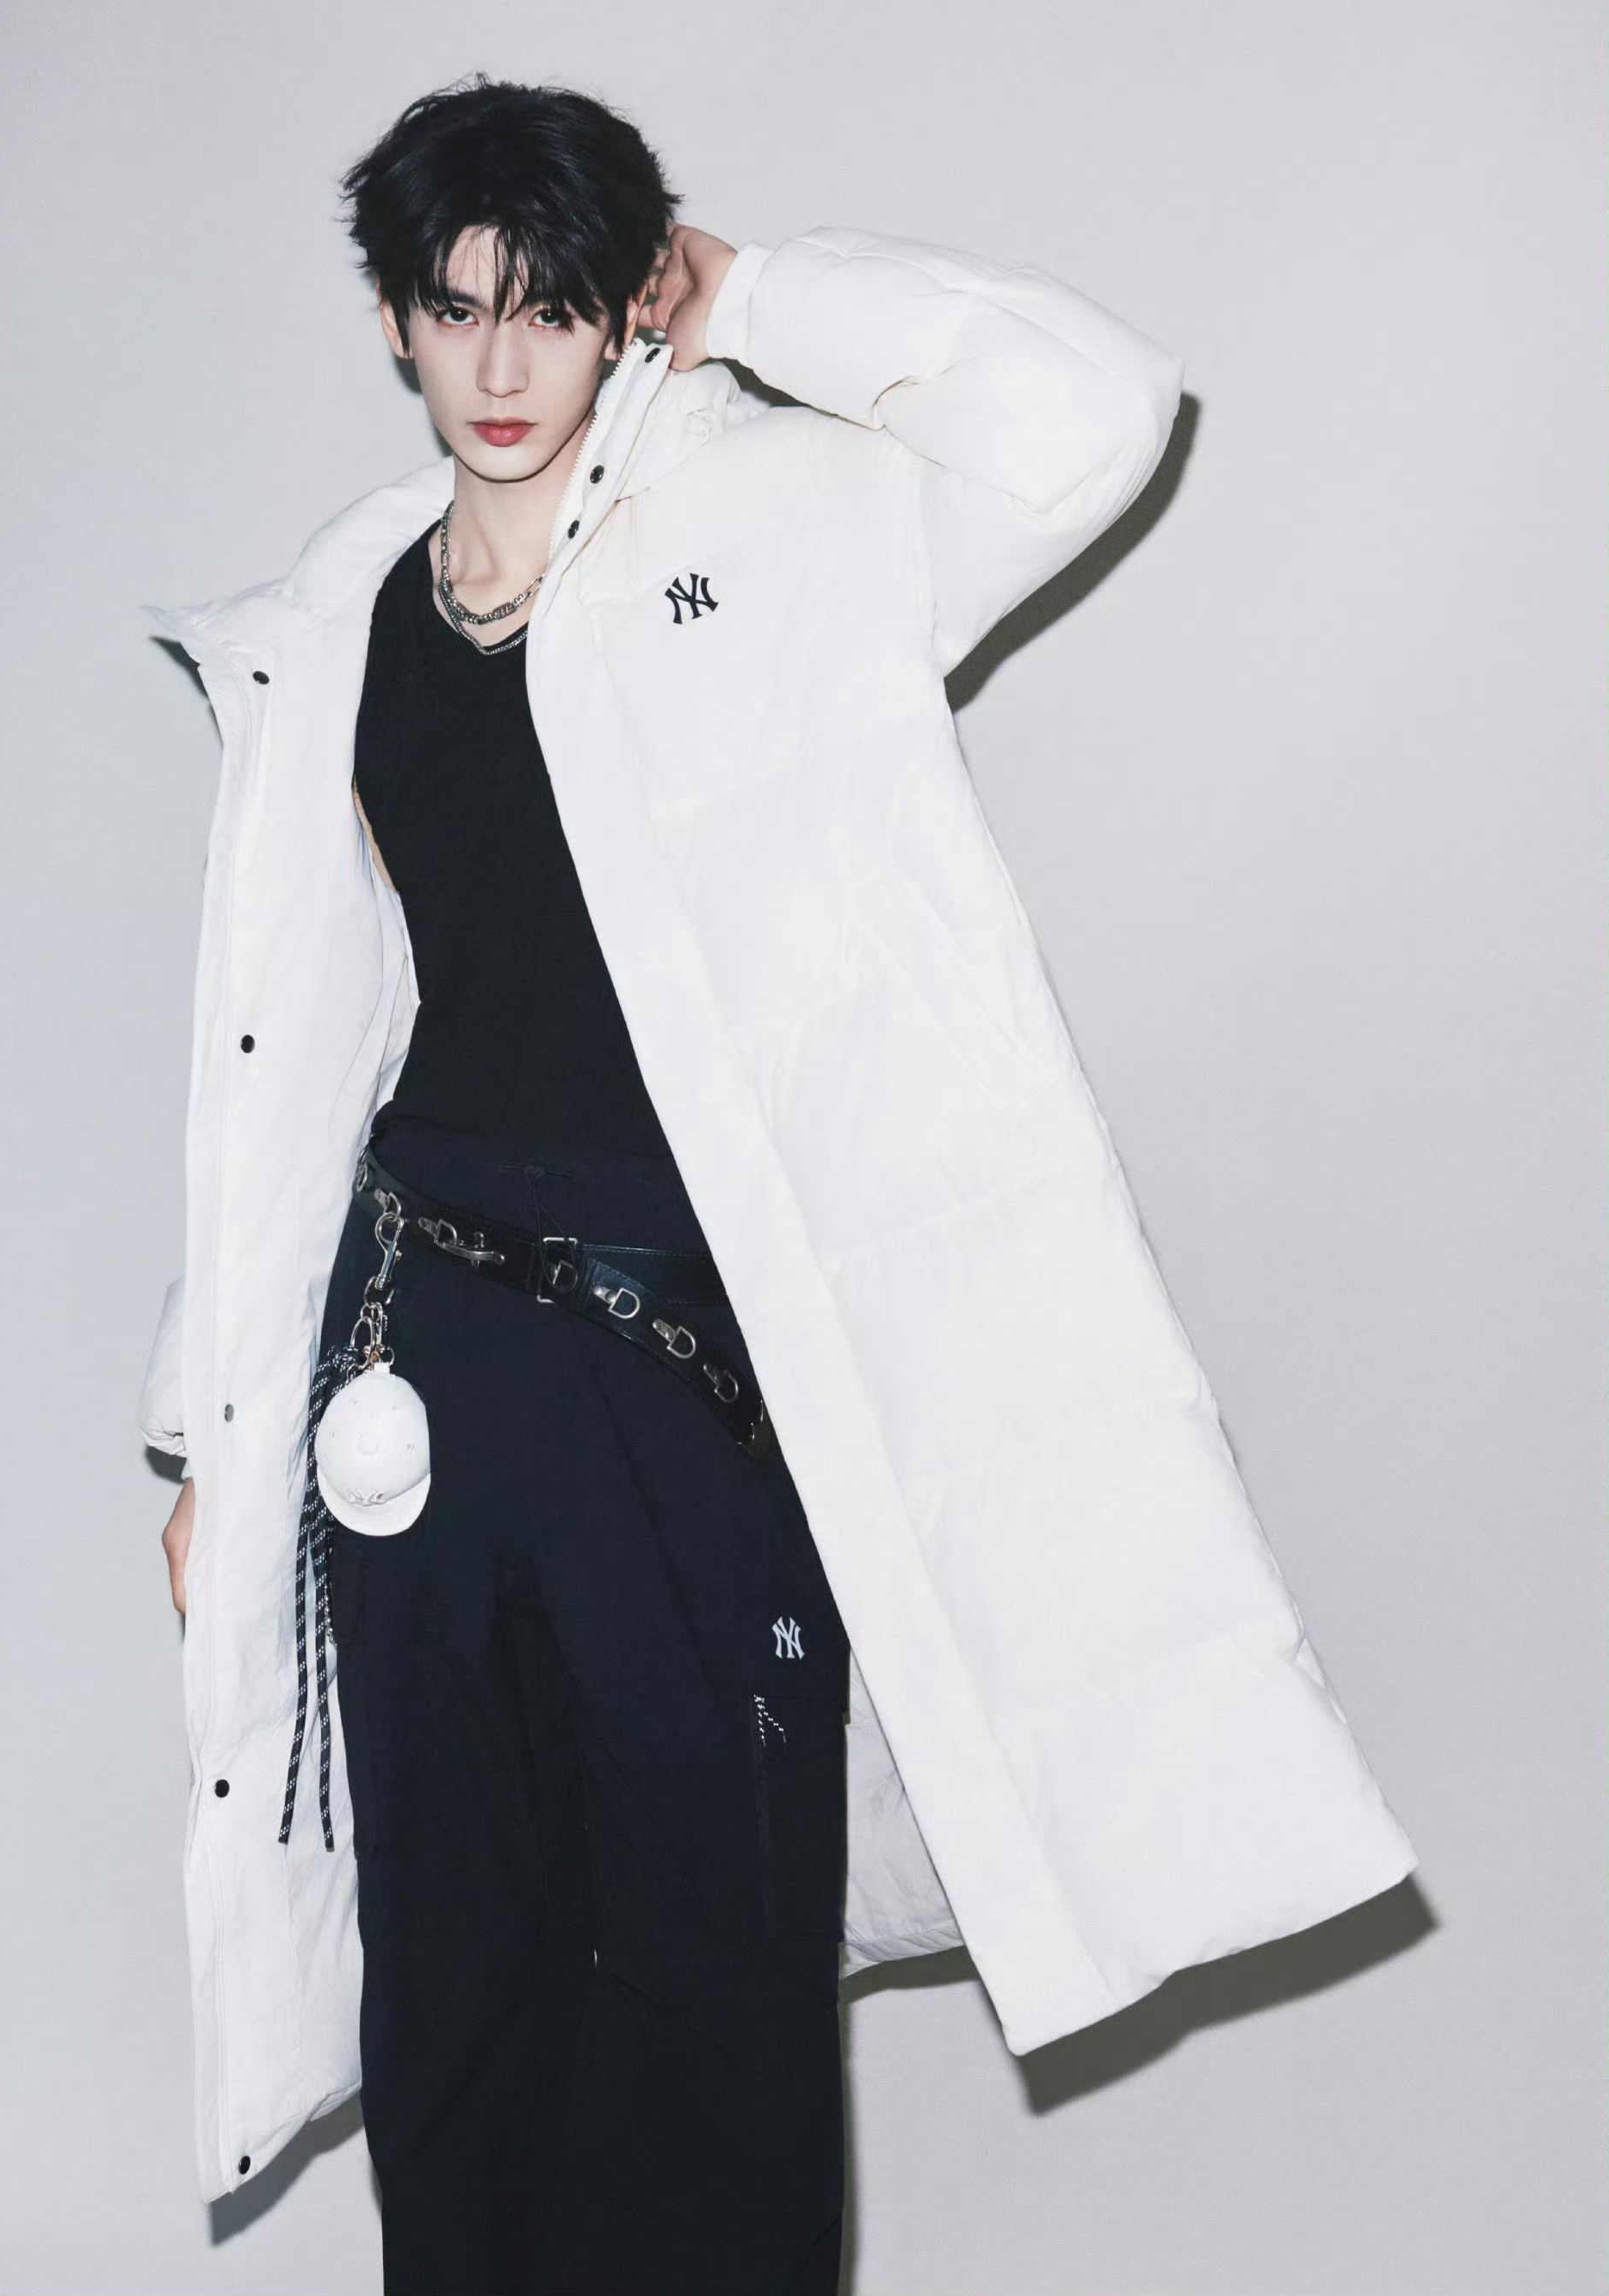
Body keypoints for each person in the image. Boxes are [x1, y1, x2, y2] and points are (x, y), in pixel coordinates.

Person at [141, 68, 1419, 2296]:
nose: (507, 362)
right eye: (461, 307)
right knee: (452, 1956)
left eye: (556, 304)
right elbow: (288, 1051)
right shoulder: (336, 618)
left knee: (709, 1955)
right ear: (396, 320)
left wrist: (756, 299)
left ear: (621, 306)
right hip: (414, 1357)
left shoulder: (791, 525)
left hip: (687, 1362)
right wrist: (209, 1434)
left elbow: (1091, 415)